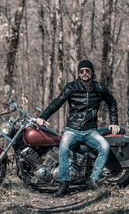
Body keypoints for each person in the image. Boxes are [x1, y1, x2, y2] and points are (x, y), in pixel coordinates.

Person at [36, 60, 120, 197]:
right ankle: (64, 183)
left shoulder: (100, 88)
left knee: (104, 147)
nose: (84, 73)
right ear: (79, 73)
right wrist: (43, 117)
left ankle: (94, 179)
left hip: (90, 131)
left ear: (92, 73)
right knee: (63, 148)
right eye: (82, 71)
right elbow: (57, 102)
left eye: (87, 71)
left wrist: (114, 122)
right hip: (72, 129)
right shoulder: (71, 87)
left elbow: (112, 102)